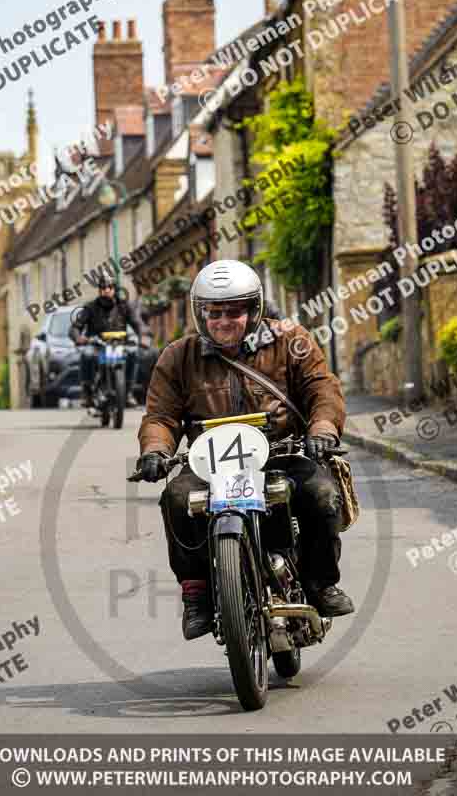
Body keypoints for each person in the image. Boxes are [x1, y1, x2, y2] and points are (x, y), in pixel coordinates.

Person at [136, 260, 354, 641]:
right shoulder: (178, 356)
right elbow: (161, 415)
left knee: (321, 495)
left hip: (281, 454)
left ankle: (320, 583)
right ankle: (197, 594)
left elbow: (323, 389)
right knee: (175, 497)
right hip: (210, 464)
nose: (224, 321)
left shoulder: (292, 341)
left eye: (234, 311)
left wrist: (322, 429)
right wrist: (155, 450)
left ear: (254, 309)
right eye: (214, 312)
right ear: (199, 312)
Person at [69, 273, 141, 408]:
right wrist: (78, 337)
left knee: (133, 353)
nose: (106, 290)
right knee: (87, 355)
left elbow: (138, 324)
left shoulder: (124, 306)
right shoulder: (90, 307)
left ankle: (128, 392)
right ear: (99, 290)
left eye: (109, 287)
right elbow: (75, 327)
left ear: (114, 289)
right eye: (103, 287)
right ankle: (87, 392)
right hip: (97, 344)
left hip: (119, 344)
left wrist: (144, 337)